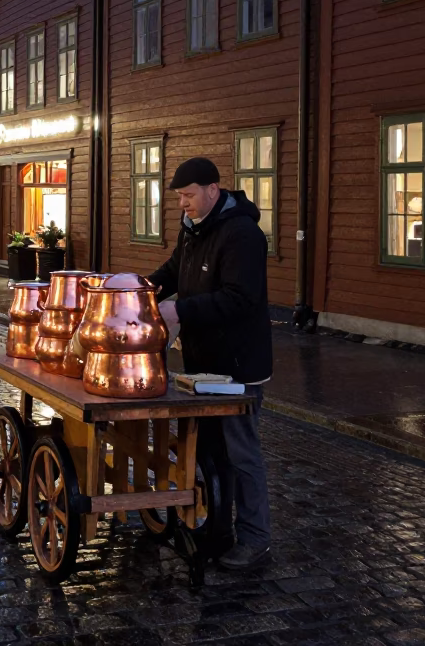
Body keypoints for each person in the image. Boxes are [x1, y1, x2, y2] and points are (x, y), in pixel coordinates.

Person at [148, 157, 273, 572]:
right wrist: (139, 289)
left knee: (241, 454)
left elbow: (240, 298)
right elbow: (173, 271)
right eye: (180, 197)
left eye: (188, 195)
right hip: (202, 364)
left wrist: (179, 310)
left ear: (213, 190)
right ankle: (217, 529)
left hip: (238, 367)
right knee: (207, 452)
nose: (182, 204)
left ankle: (256, 539)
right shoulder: (193, 231)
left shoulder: (242, 234)